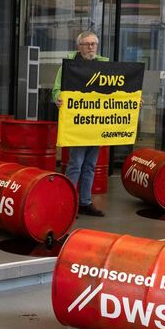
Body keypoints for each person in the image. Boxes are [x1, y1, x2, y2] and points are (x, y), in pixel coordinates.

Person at [51, 30, 108, 217]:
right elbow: (57, 89)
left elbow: (117, 89)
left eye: (93, 44)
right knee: (75, 163)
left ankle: (84, 202)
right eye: (86, 44)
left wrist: (132, 102)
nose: (90, 47)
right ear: (79, 46)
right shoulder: (69, 66)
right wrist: (58, 97)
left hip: (96, 123)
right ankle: (68, 202)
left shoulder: (105, 65)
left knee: (90, 164)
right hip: (77, 124)